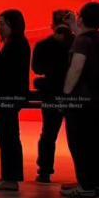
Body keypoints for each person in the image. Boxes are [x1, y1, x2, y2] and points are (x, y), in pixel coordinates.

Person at [62, 1, 99, 198]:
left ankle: (86, 185)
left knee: (80, 143)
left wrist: (66, 94)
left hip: (81, 101)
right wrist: (74, 26)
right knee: (97, 140)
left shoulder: (82, 42)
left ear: (82, 18)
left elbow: (76, 67)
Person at [0, 9, 31, 192]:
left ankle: (10, 178)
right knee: (8, 136)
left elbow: (2, 71)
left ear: (11, 25)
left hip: (6, 96)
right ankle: (8, 176)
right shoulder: (18, 43)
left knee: (8, 137)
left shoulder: (14, 44)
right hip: (12, 96)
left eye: (2, 23)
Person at [32, 15, 74, 183]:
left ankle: (44, 171)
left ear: (52, 25)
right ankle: (84, 176)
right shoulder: (77, 43)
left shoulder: (44, 44)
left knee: (48, 133)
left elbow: (37, 68)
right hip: (74, 94)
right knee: (76, 136)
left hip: (51, 92)